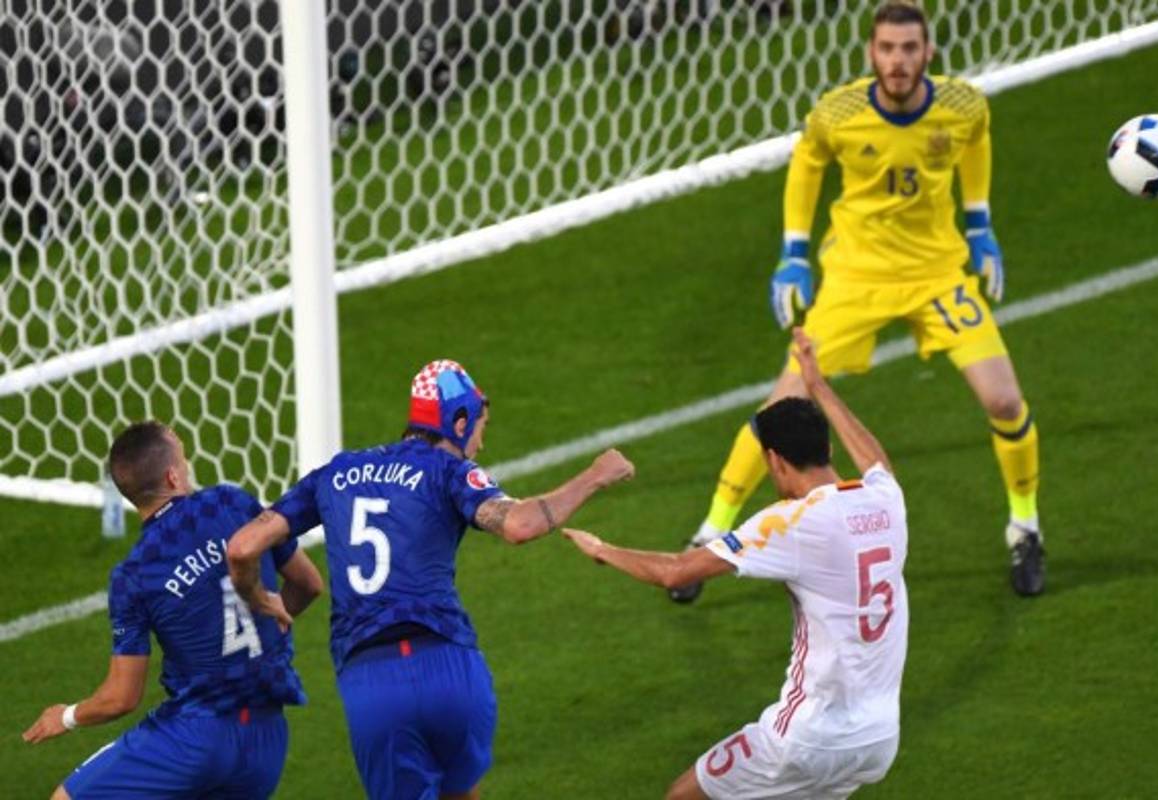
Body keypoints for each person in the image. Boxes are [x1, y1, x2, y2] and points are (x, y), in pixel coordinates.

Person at [675, 0, 1042, 603]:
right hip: (855, 277)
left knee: (1004, 399)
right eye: (887, 49)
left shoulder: (963, 105)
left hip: (936, 273)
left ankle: (1024, 528)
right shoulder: (838, 113)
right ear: (871, 52)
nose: (898, 61)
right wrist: (794, 252)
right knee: (781, 405)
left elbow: (977, 140)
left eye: (909, 48)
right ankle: (711, 532)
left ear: (927, 52)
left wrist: (979, 223)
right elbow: (807, 162)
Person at [226, 359, 635, 800]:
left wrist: (260, 599)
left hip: (371, 684)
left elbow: (243, 548)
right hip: (450, 670)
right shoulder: (449, 472)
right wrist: (596, 475)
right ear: (459, 422)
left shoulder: (334, 473)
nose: (480, 442)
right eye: (480, 427)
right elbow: (520, 524)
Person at [566, 329, 908, 799]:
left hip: (808, 737)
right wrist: (819, 385)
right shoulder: (885, 500)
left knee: (681, 797)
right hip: (878, 740)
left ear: (774, 460)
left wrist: (602, 549)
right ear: (827, 449)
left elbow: (676, 571)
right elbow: (875, 460)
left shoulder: (791, 522)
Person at [22, 421, 323, 799]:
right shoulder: (233, 503)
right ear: (172, 475)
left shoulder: (135, 573)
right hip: (266, 740)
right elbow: (310, 583)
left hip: (194, 738)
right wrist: (274, 616)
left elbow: (122, 697)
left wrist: (66, 716)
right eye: (183, 457)